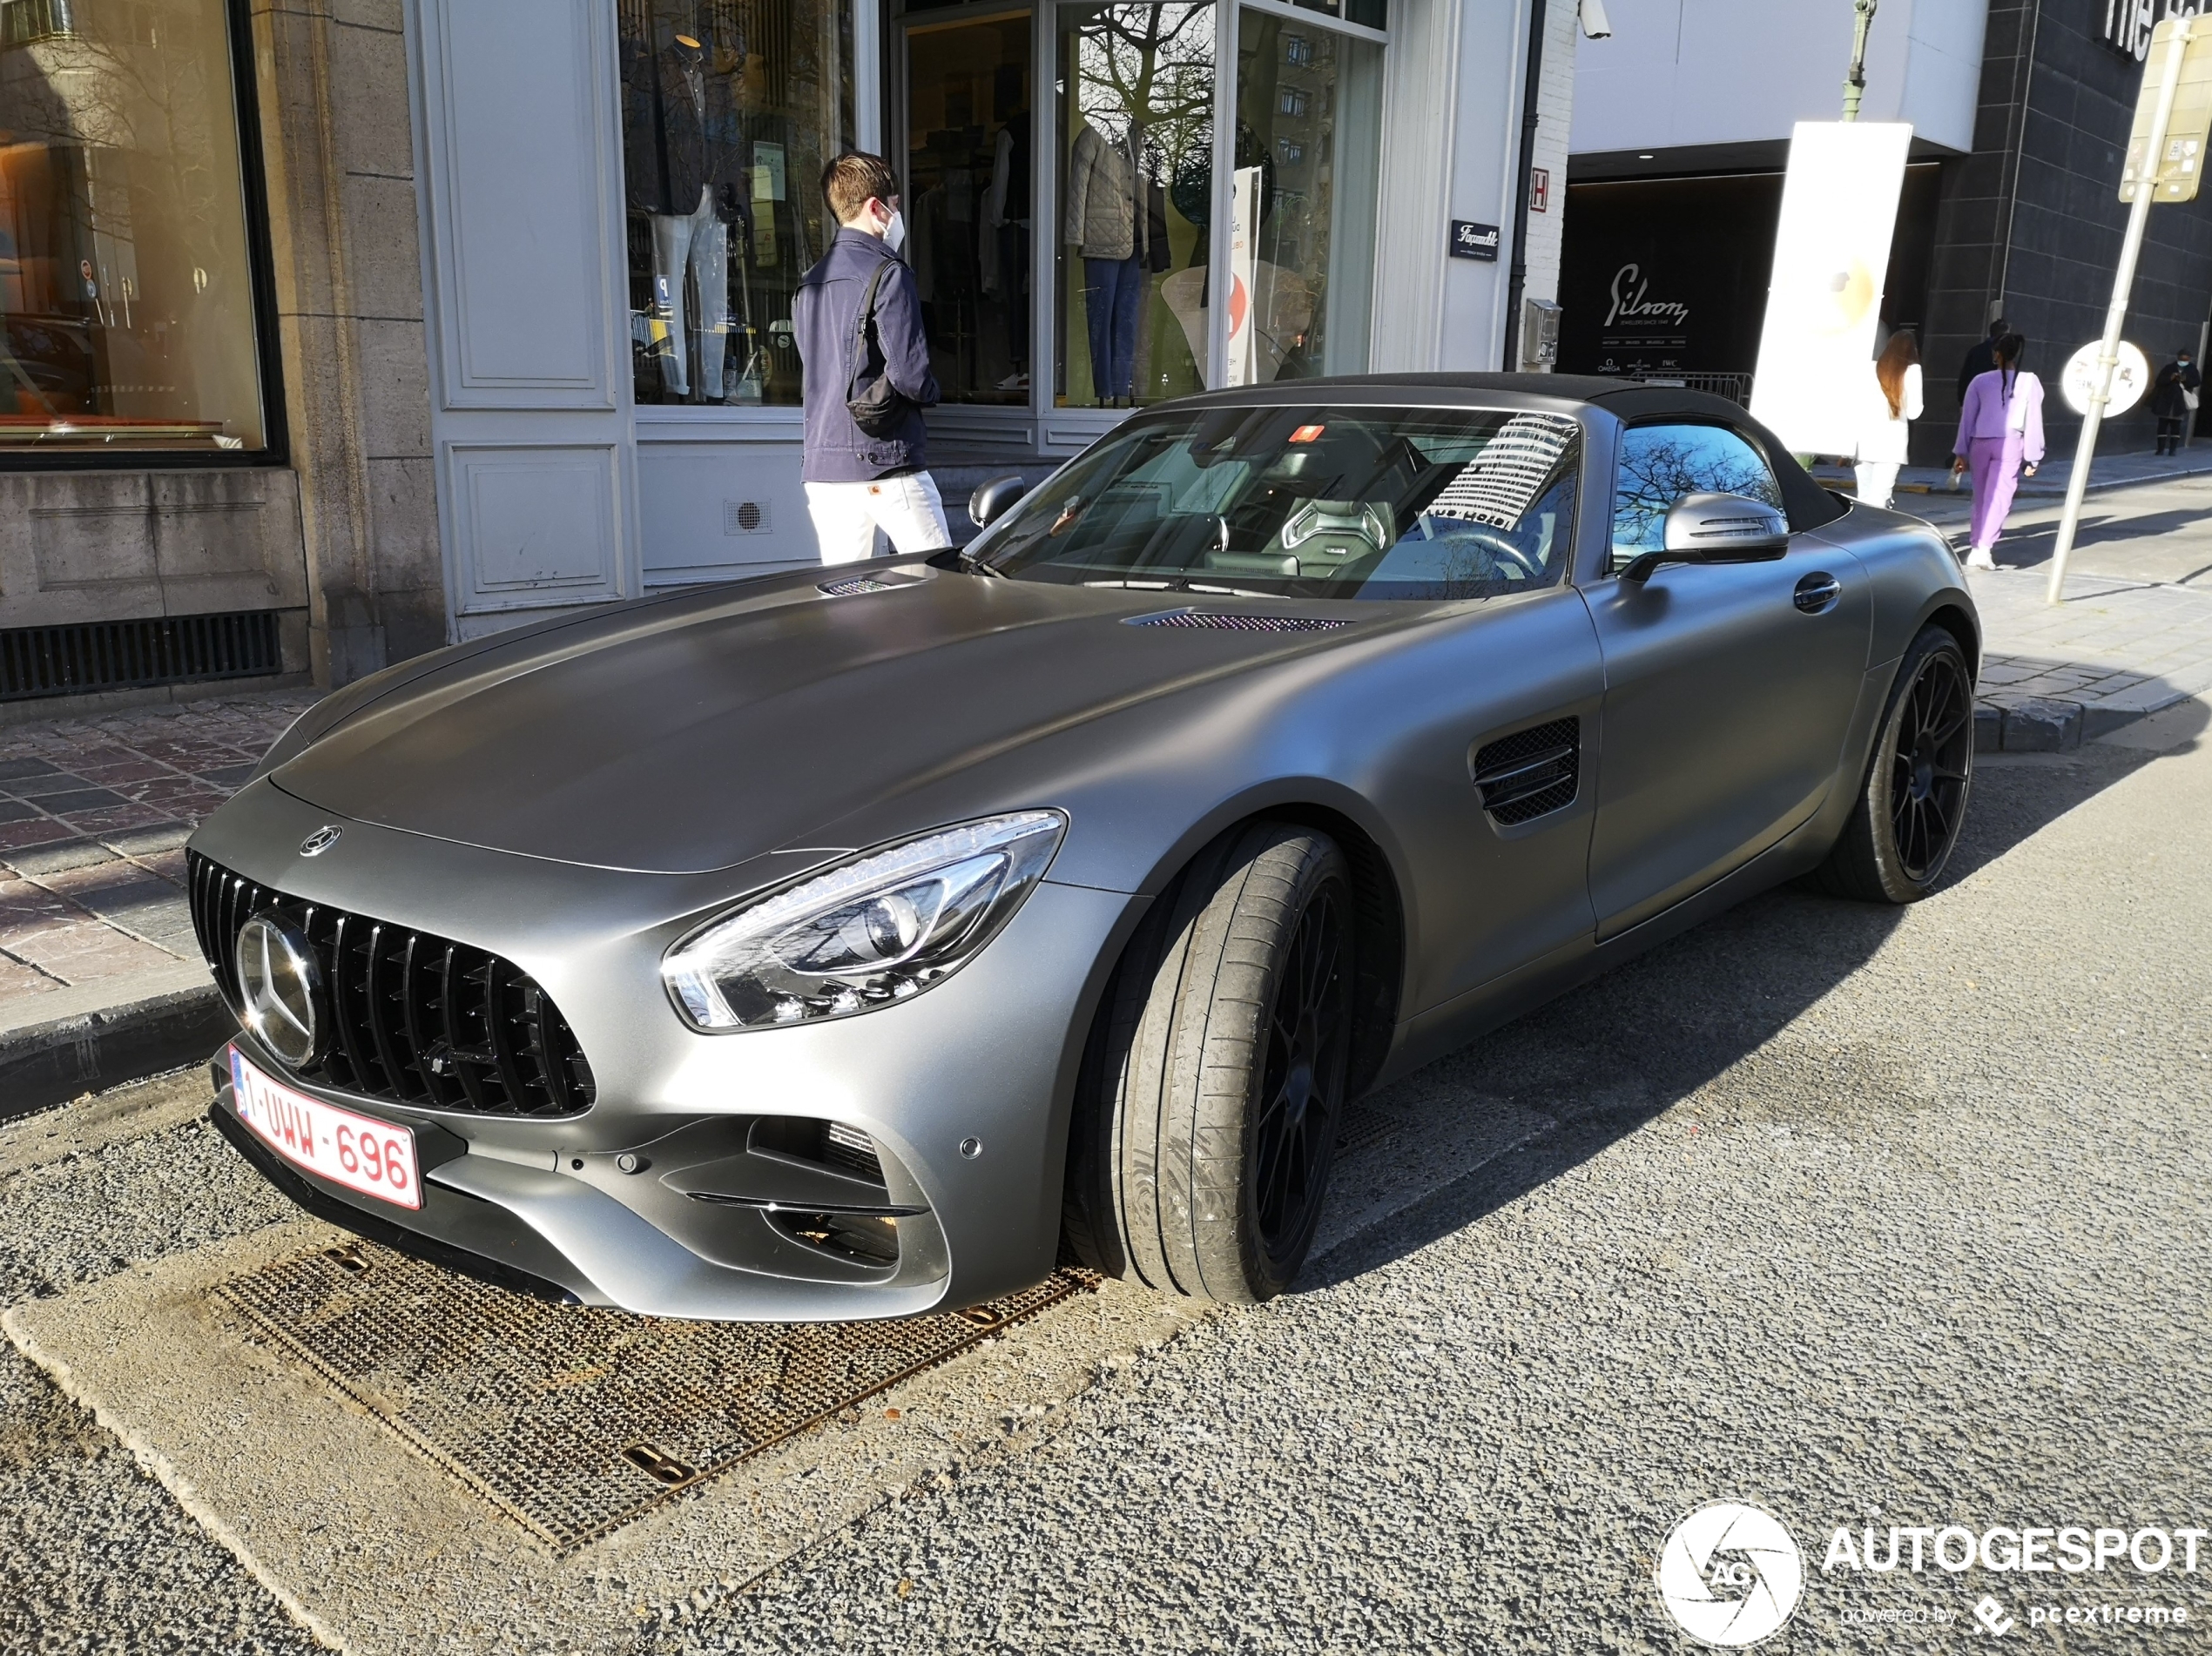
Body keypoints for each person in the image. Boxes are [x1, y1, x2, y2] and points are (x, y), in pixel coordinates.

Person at [794, 151, 946, 564]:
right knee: (942, 587)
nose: (898, 215)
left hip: (824, 464)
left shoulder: (809, 283)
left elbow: (817, 369)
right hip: (886, 458)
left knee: (845, 598)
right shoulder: (889, 272)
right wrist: (935, 392)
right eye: (896, 205)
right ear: (876, 208)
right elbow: (911, 376)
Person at [1951, 333, 2044, 571]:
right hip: (2012, 443)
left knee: (1981, 497)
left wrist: (1961, 452)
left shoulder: (1979, 381)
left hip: (1980, 443)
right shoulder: (2030, 381)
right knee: (2001, 498)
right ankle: (1985, 549)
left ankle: (1975, 548)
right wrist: (2033, 456)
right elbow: (2034, 420)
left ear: (1997, 354)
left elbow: (1967, 419)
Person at [1855, 328, 1922, 509]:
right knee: (1880, 498)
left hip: (1865, 440)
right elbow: (1914, 412)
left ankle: (1860, 533)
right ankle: (1873, 533)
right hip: (1892, 444)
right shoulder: (1913, 371)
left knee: (1863, 496)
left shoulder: (1870, 368)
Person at [2151, 348, 2201, 456]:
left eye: (2186, 359)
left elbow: (2197, 382)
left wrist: (2185, 379)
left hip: (2180, 402)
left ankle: (2172, 450)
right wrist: (2171, 378)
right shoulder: (2169, 368)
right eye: (2182, 358)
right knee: (2162, 426)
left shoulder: (2192, 369)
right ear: (2178, 357)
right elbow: (2159, 381)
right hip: (2165, 401)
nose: (2184, 360)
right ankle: (2160, 449)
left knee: (2176, 427)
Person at [1957, 317, 2009, 404]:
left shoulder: (1975, 351)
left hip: (1973, 398)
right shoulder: (2004, 354)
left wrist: (1962, 402)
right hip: (1992, 401)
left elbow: (1964, 378)